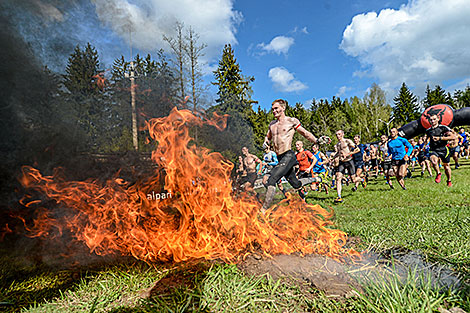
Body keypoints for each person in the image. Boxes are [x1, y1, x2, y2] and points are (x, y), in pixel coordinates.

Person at [261, 99, 327, 212]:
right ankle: (316, 178)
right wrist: (265, 142)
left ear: (283, 108)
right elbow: (268, 137)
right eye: (272, 109)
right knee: (295, 184)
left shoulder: (291, 121)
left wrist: (316, 140)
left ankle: (264, 210)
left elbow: (305, 133)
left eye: (276, 108)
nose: (274, 111)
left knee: (271, 180)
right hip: (280, 158)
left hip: (289, 156)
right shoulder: (272, 124)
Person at [425, 114, 456, 187]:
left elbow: (453, 136)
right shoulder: (428, 130)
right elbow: (427, 139)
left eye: (434, 119)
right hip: (433, 149)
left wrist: (440, 138)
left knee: (446, 167)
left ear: (438, 119)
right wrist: (425, 143)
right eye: (431, 120)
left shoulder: (443, 128)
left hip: (443, 149)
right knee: (433, 161)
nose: (432, 121)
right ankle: (438, 173)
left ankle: (449, 180)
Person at [331, 130, 359, 203]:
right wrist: (331, 158)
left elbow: (357, 149)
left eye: (339, 134)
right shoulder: (337, 144)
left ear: (343, 134)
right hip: (342, 162)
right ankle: (339, 196)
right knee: (338, 177)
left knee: (353, 180)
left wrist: (348, 154)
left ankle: (362, 179)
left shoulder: (347, 141)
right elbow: (338, 153)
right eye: (337, 134)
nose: (338, 136)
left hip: (349, 161)